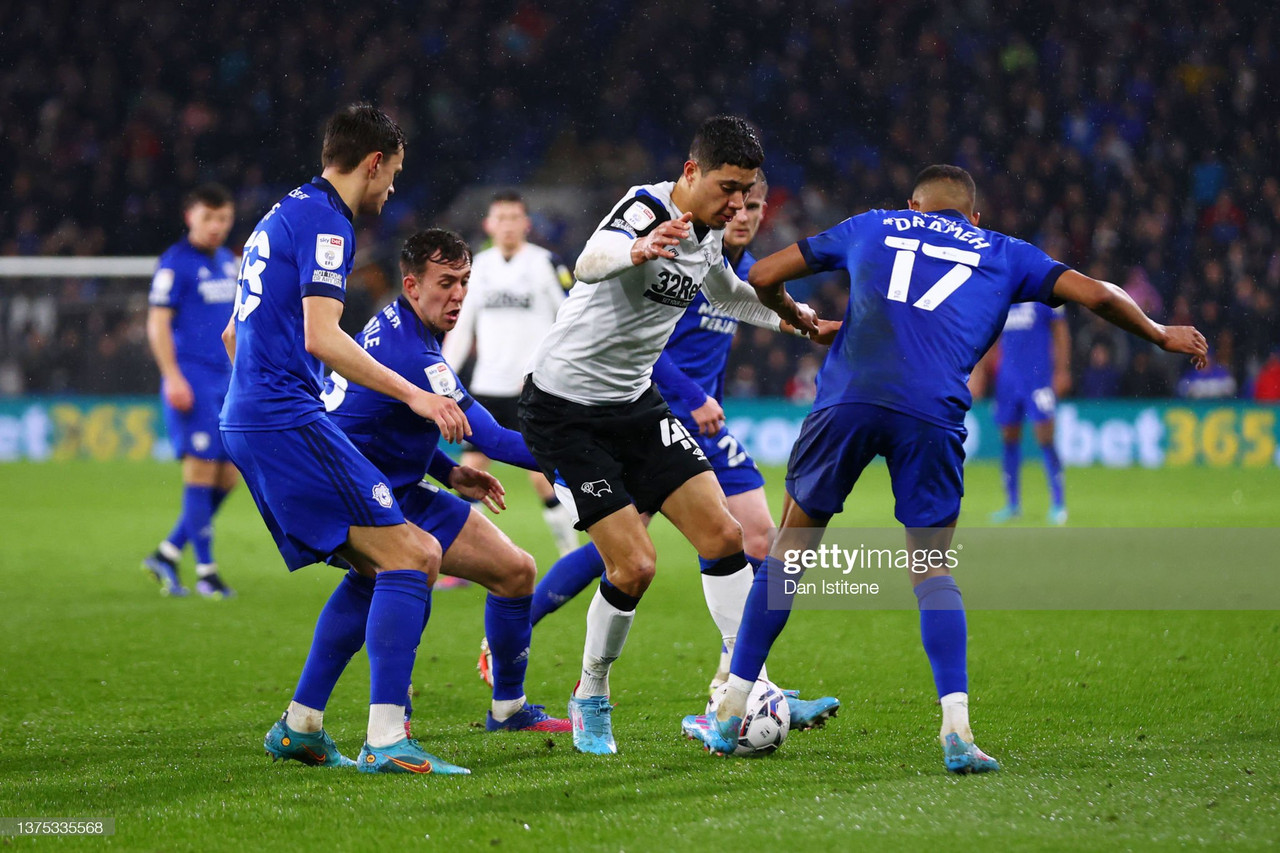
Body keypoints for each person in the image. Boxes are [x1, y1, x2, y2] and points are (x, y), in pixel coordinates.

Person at [682, 164, 1207, 772]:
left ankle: (730, 712)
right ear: (973, 216)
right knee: (931, 571)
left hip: (849, 399)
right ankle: (956, 731)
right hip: (930, 413)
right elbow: (1097, 293)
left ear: (913, 204)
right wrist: (1160, 331)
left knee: (788, 556)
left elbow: (766, 274)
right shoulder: (1007, 253)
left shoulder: (874, 225)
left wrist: (797, 318)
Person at [518, 115, 822, 755]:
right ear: (691, 173)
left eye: (747, 191)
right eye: (728, 187)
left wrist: (796, 318)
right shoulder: (648, 206)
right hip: (567, 408)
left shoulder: (707, 237)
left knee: (725, 536)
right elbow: (590, 258)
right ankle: (591, 692)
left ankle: (741, 690)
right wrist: (635, 249)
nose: (738, 204)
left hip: (634, 404)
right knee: (635, 565)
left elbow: (730, 295)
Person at [220, 104, 472, 776]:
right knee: (414, 551)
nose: (392, 188)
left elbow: (232, 335)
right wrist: (416, 393)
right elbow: (322, 336)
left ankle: (301, 724)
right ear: (373, 161)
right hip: (281, 415)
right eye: (393, 173)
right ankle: (386, 739)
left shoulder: (280, 213)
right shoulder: (330, 220)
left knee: (379, 563)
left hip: (254, 412)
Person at [318, 227, 570, 735]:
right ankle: (389, 722)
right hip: (365, 493)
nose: (457, 294)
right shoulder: (416, 353)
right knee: (406, 572)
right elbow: (496, 441)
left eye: (465, 281)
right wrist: (584, 463)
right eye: (445, 282)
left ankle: (508, 709)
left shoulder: (401, 325)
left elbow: (388, 424)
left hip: (399, 483)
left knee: (516, 571)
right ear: (412, 285)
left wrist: (449, 470)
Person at [441, 192, 579, 556]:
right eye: (500, 218)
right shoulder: (477, 267)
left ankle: (570, 556)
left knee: (543, 478)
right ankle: (462, 561)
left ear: (526, 223)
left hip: (531, 390)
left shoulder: (545, 263)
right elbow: (460, 330)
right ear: (488, 224)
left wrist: (547, 369)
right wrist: (441, 378)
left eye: (514, 217)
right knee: (468, 473)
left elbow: (568, 321)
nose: (507, 225)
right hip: (485, 388)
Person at [141, 184, 240, 598]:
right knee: (200, 473)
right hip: (193, 381)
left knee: (230, 476)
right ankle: (206, 572)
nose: (216, 227)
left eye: (222, 218)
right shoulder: (175, 264)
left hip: (228, 382)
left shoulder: (230, 264)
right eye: (208, 218)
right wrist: (172, 376)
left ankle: (167, 553)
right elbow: (157, 323)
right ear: (190, 218)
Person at [986, 302, 1071, 525]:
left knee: (1045, 437)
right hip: (1008, 379)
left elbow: (1061, 332)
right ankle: (1012, 504)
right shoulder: (1003, 296)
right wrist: (981, 372)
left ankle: (1058, 503)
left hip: (1038, 377)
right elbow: (991, 338)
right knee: (1008, 438)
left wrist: (1062, 371)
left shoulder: (1044, 296)